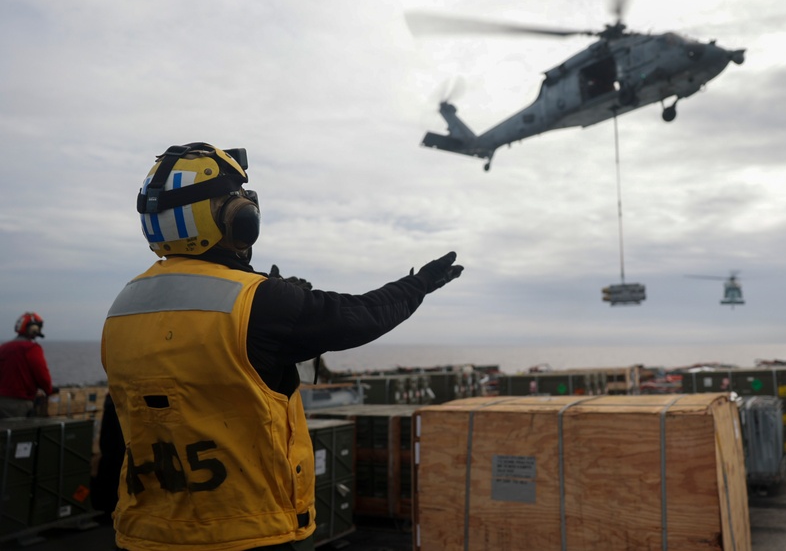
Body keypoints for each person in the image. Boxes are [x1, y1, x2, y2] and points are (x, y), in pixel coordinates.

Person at [102, 142, 463, 551]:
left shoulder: (122, 308)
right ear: (235, 221)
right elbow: (362, 315)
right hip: (244, 531)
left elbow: (118, 415)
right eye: (235, 202)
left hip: (144, 530)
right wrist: (419, 284)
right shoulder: (259, 301)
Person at [0, 312, 54, 418]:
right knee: (20, 433)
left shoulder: (3, 348)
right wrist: (49, 390)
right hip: (19, 403)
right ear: (33, 328)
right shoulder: (32, 348)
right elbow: (42, 375)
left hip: (1, 401)